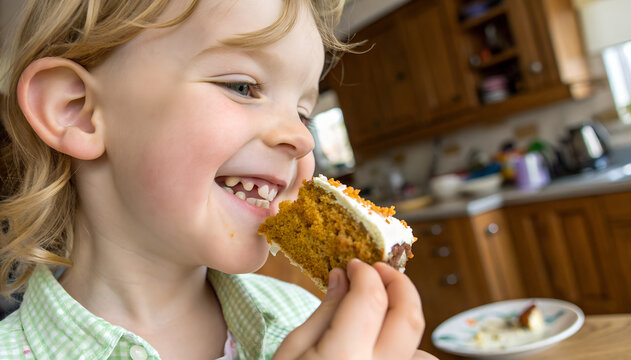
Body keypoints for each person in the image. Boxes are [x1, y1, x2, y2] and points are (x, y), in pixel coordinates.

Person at [0, 0, 437, 359]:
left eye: (303, 113)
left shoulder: (308, 318)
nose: (302, 138)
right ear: (75, 109)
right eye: (242, 87)